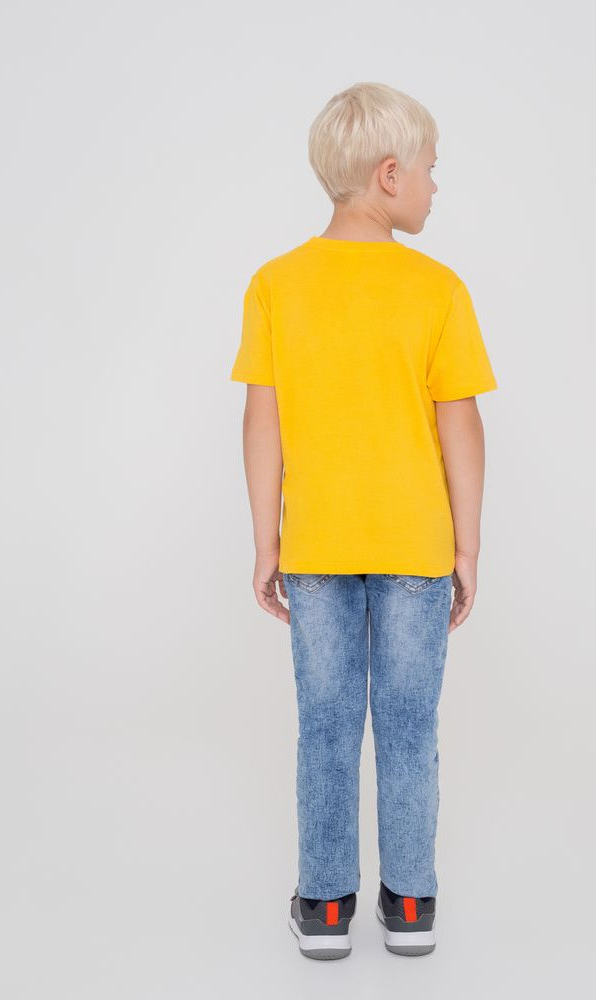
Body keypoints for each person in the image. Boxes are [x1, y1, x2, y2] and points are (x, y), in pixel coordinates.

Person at [229, 81, 498, 960]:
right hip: (417, 548)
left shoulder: (276, 284)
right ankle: (411, 903)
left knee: (326, 725)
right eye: (430, 169)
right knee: (411, 727)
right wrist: (467, 544)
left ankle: (325, 904)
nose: (435, 186)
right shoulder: (437, 288)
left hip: (317, 546)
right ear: (390, 175)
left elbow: (262, 422)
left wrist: (266, 540)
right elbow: (461, 425)